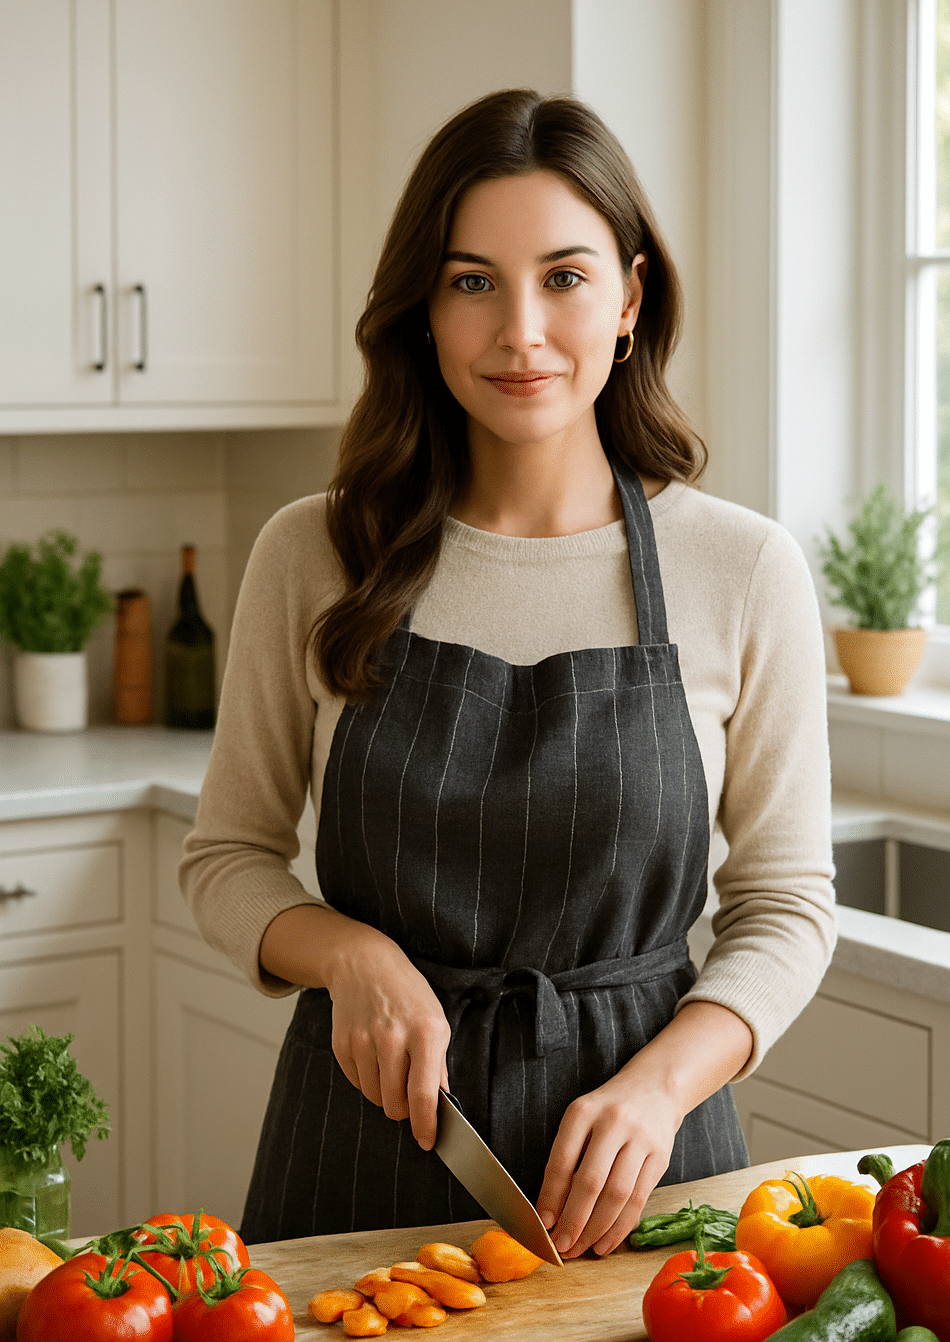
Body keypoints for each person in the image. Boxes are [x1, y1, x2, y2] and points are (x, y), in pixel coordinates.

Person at [179, 88, 836, 1261]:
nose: (519, 331)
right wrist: (348, 954)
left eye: (564, 277)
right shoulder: (313, 552)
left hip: (645, 1172)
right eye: (472, 281)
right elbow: (226, 856)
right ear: (424, 311)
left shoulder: (740, 568)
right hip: (363, 1147)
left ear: (629, 298)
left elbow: (787, 907)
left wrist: (659, 1090)